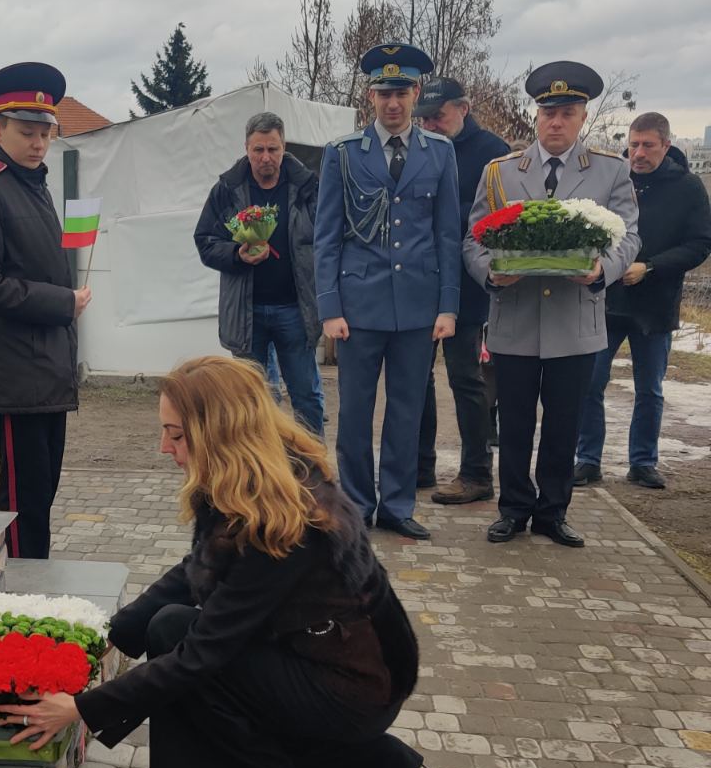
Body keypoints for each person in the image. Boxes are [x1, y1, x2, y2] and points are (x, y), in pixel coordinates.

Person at [2, 356, 423, 768]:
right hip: (320, 659)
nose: (164, 448)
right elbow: (194, 571)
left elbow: (203, 653)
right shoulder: (256, 480)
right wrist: (106, 638)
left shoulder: (281, 521)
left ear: (220, 433)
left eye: (176, 435)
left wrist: (80, 708)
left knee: (181, 643)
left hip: (351, 690)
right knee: (167, 626)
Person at [465, 61, 639, 547]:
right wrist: (490, 273)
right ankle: (514, 508)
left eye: (566, 112)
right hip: (515, 319)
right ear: (536, 116)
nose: (555, 122)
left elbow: (629, 235)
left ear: (583, 116)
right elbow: (473, 240)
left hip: (575, 321)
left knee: (564, 424)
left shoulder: (610, 170)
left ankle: (553, 511)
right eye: (548, 112)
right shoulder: (500, 173)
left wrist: (603, 269)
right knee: (515, 423)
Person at [314, 43, 461, 540]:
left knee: (406, 411)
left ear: (416, 94)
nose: (392, 103)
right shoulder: (343, 154)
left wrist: (449, 306)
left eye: (401, 92)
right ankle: (355, 506)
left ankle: (397, 506)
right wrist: (329, 308)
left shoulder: (440, 153)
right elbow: (327, 236)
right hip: (358, 307)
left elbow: (447, 235)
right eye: (383, 93)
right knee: (354, 413)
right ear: (370, 96)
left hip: (418, 310)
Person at [0, 61, 89, 558]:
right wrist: (62, 303)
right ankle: (19, 588)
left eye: (45, 133)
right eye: (27, 132)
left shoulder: (34, 185)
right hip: (16, 369)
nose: (38, 143)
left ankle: (38, 579)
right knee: (24, 500)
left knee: (44, 492)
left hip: (47, 365)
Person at [574, 113, 711, 490]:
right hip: (607, 299)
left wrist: (650, 267)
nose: (638, 152)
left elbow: (700, 244)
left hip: (656, 303)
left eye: (647, 145)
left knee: (649, 389)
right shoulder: (615, 181)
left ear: (666, 146)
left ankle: (643, 461)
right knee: (591, 383)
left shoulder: (687, 188)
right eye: (633, 144)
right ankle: (587, 459)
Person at [193, 110, 323, 434]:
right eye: (258, 150)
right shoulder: (227, 189)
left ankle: (314, 472)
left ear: (283, 147)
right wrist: (236, 254)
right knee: (254, 401)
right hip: (246, 313)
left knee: (306, 397)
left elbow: (328, 238)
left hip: (296, 309)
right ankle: (265, 471)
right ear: (246, 149)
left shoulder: (308, 187)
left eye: (273, 149)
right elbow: (204, 241)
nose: (266, 157)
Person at [413, 77, 509, 503]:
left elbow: (504, 221)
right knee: (416, 378)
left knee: (465, 379)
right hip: (420, 281)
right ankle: (420, 467)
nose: (431, 124)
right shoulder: (419, 147)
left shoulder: (493, 153)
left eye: (439, 116)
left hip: (468, 286)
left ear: (463, 108)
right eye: (425, 118)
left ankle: (476, 474)